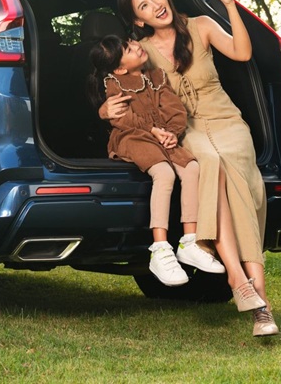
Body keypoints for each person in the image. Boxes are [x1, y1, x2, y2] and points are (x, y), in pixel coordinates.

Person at [100, 0, 280, 337]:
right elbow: (118, 83)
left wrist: (229, 5)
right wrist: (105, 110)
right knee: (211, 165)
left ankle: (252, 292)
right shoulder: (143, 52)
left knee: (241, 190)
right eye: (144, 6)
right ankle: (248, 291)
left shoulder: (201, 26)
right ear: (139, 20)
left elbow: (242, 52)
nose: (155, 5)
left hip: (226, 120)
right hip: (184, 128)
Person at [87, 35, 228, 287]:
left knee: (192, 168)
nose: (136, 46)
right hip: (132, 137)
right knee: (164, 173)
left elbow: (176, 110)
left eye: (132, 42)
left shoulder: (157, 77)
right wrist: (154, 131)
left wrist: (172, 132)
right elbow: (122, 119)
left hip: (163, 137)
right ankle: (160, 248)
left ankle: (189, 241)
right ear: (120, 69)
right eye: (129, 49)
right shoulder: (114, 83)